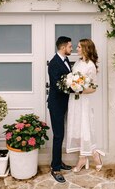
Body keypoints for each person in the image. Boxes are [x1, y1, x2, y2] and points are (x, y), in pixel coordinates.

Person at [65, 38, 106, 172]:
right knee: (76, 128)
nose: (76, 49)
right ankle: (94, 154)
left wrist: (80, 89)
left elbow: (93, 88)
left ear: (85, 49)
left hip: (84, 101)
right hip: (74, 100)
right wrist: (72, 84)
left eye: (78, 47)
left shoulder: (91, 66)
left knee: (84, 128)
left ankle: (83, 159)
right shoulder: (77, 62)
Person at [47, 36, 73, 183]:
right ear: (63, 48)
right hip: (56, 104)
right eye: (70, 46)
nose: (71, 48)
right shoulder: (54, 63)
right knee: (58, 136)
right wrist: (76, 88)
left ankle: (58, 161)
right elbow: (58, 85)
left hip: (63, 103)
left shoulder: (65, 60)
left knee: (61, 135)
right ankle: (55, 169)